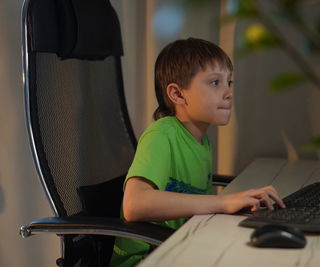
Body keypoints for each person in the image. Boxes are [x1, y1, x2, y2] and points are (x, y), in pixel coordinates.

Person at [110, 37, 285, 266]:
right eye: (215, 83)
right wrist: (222, 202)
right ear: (178, 94)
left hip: (183, 246)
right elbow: (135, 205)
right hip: (147, 259)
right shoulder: (162, 135)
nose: (228, 93)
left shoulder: (201, 141)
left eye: (229, 82)